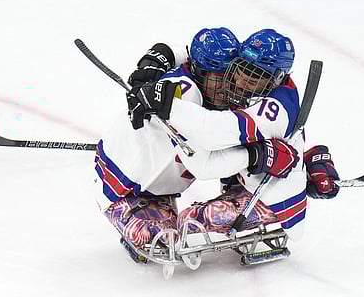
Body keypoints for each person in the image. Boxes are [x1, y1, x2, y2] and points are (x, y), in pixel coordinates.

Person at [94, 27, 301, 263]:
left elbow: (187, 55)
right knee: (164, 239)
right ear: (199, 72)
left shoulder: (259, 101)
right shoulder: (187, 93)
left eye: (231, 74)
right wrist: (256, 155)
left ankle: (242, 195)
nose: (230, 84)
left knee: (200, 214)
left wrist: (160, 56)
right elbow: (203, 163)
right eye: (219, 76)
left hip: (169, 187)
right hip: (123, 190)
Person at [127, 28, 341, 242]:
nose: (239, 83)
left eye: (252, 79)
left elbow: (209, 139)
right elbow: (203, 55)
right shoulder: (260, 87)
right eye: (240, 71)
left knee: (190, 220)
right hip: (244, 178)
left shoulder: (273, 111)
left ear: (275, 79)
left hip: (270, 196)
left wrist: (163, 103)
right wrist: (159, 58)